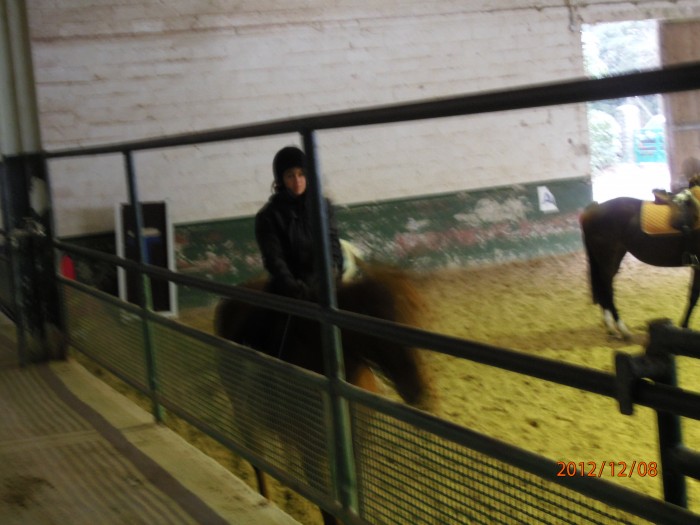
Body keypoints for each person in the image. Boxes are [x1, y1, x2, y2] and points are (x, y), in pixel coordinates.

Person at [255, 145, 344, 301]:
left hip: (324, 283)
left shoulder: (323, 206)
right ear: (281, 179)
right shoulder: (268, 216)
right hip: (290, 288)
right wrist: (292, 287)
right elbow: (274, 258)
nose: (297, 181)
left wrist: (332, 270)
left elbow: (332, 240)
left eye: (301, 174)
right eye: (290, 175)